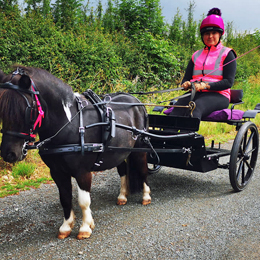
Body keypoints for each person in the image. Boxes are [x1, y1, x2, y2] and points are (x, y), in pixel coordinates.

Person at [170, 8, 237, 120]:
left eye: (214, 33)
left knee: (195, 107)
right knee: (178, 108)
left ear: (220, 34)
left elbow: (228, 82)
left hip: (218, 95)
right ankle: (167, 136)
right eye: (207, 33)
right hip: (195, 94)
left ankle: (186, 137)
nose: (210, 36)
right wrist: (185, 84)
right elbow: (186, 78)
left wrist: (205, 85)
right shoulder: (196, 55)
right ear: (202, 36)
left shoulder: (227, 53)